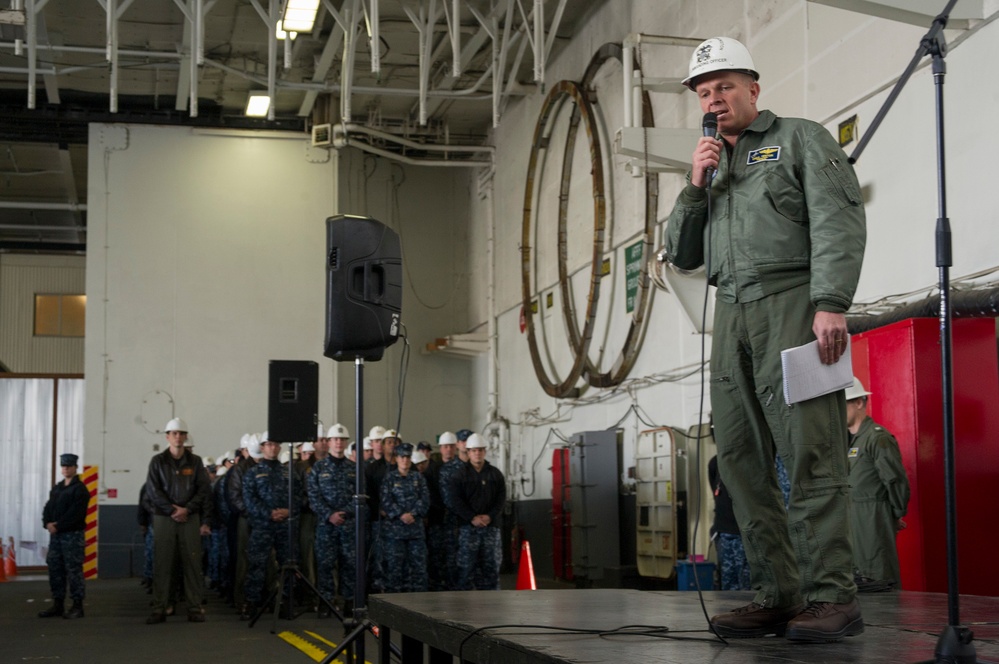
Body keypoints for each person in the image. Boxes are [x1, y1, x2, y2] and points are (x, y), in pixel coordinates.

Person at [664, 36, 866, 643]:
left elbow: (839, 217)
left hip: (792, 303)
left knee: (811, 451)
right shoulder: (711, 167)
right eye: (704, 91)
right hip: (730, 313)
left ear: (754, 87)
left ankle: (833, 596)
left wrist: (830, 302)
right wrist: (695, 185)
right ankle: (779, 594)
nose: (714, 99)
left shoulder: (800, 139)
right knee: (742, 465)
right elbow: (681, 252)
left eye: (724, 86)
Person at [144, 418, 211, 623]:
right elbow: (153, 491)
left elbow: (203, 489)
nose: (178, 437)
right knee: (163, 563)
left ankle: (194, 607)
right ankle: (160, 607)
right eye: (174, 433)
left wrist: (187, 509)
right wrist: (173, 509)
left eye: (182, 433)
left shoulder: (196, 461)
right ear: (167, 437)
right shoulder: (157, 461)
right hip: (164, 518)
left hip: (189, 518)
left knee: (192, 562)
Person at [845, 377, 910, 587]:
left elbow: (894, 478)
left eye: (843, 403)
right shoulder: (851, 440)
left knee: (878, 571)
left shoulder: (876, 437)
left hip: (873, 514)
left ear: (859, 402)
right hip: (856, 514)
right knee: (860, 573)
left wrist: (895, 512)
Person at [241, 432, 300, 620]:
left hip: (285, 526)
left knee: (287, 565)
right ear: (263, 447)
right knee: (256, 565)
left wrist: (288, 511)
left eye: (276, 444)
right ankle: (252, 603)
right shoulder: (253, 473)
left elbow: (299, 496)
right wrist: (269, 513)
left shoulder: (288, 472)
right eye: (269, 444)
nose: (273, 447)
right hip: (262, 526)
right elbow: (249, 500)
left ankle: (286, 603)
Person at [307, 423, 359, 616]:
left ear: (346, 443)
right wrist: (330, 514)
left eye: (342, 439)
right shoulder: (319, 468)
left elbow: (360, 497)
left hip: (348, 525)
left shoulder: (354, 468)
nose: (339, 442)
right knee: (325, 565)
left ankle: (348, 603)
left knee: (349, 565)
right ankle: (326, 603)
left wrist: (343, 513)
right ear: (328, 442)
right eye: (335, 439)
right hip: (325, 526)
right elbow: (313, 496)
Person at [447, 433, 505, 590]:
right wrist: (472, 517)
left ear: (485, 451)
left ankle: (493, 604)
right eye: (474, 450)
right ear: (468, 452)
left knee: (491, 568)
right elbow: (456, 501)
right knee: (466, 568)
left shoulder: (495, 474)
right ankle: (463, 607)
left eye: (480, 450)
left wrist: (489, 516)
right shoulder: (459, 476)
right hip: (468, 528)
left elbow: (500, 500)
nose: (477, 453)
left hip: (490, 528)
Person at [39, 453, 90, 619]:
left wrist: (58, 525)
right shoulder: (58, 488)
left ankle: (77, 605)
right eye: (63, 466)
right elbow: (48, 507)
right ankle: (58, 603)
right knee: (55, 569)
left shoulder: (80, 489)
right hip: (56, 536)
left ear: (75, 467)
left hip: (72, 536)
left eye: (69, 466)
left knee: (73, 570)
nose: (66, 468)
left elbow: (76, 514)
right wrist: (47, 523)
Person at [380, 442, 429, 593]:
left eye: (408, 457)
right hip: (395, 532)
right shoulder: (389, 478)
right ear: (396, 458)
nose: (405, 460)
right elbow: (386, 500)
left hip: (415, 531)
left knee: (418, 568)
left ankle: (419, 603)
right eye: (402, 457)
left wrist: (412, 514)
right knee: (395, 568)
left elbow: (425, 500)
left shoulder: (418, 478)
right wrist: (401, 515)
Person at [708, 455, 750, 591]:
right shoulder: (715, 463)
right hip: (724, 532)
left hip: (745, 533)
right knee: (727, 583)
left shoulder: (750, 460)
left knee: (747, 583)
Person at [425, 431, 459, 590]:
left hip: (457, 521)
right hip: (437, 520)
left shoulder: (462, 468)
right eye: (445, 446)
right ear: (440, 448)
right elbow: (429, 493)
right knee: (436, 556)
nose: (448, 449)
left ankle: (453, 587)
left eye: (451, 446)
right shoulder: (433, 469)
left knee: (454, 557)